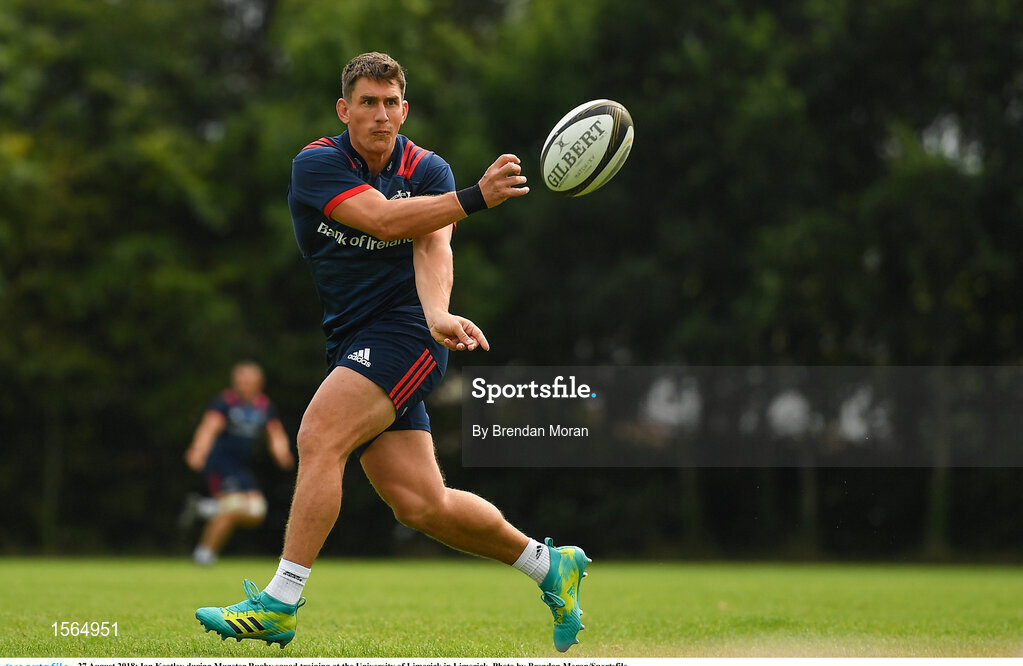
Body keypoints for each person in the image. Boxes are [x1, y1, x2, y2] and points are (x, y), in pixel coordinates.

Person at [194, 52, 589, 652]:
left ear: (405, 109)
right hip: (353, 339)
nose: (381, 115)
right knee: (421, 504)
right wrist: (476, 197)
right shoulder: (317, 165)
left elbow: (433, 247)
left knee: (318, 435)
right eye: (368, 102)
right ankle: (547, 564)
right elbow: (382, 220)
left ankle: (280, 601)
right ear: (343, 109)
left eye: (391, 104)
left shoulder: (429, 169)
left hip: (407, 334)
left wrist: (435, 314)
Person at [183, 361, 295, 565]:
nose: (244, 384)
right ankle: (204, 554)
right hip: (220, 464)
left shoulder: (264, 406)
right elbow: (209, 427)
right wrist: (198, 450)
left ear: (259, 383)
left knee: (256, 512)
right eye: (240, 380)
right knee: (233, 507)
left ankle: (206, 507)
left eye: (249, 381)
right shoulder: (226, 403)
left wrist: (282, 452)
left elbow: (275, 433)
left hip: (240, 467)